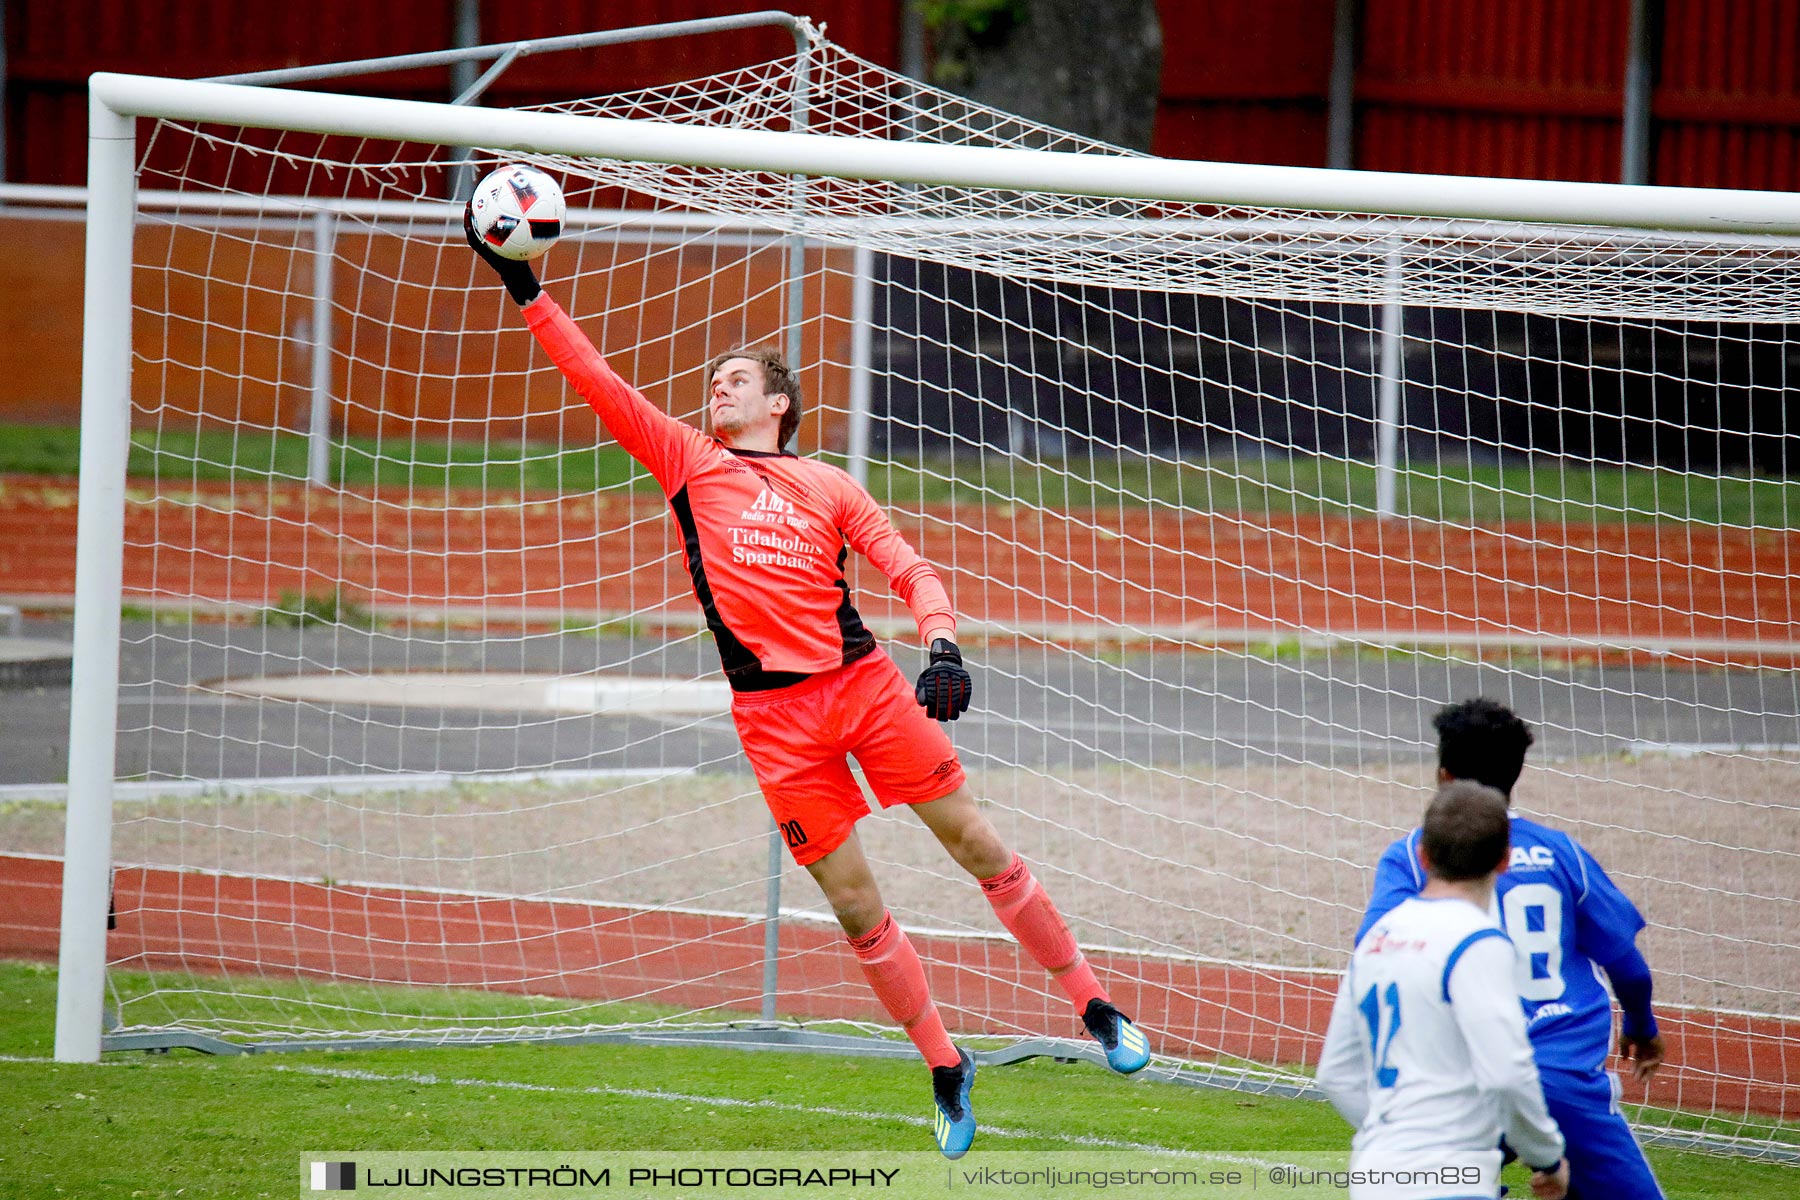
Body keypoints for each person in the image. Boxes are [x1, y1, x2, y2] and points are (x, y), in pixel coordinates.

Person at [465, 212, 1150, 1160]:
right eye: (715, 379)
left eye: (737, 378)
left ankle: (1094, 1004)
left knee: (977, 844)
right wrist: (526, 286)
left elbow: (911, 569)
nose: (717, 386)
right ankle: (945, 1067)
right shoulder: (688, 463)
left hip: (864, 686)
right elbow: (599, 382)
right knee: (856, 905)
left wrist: (942, 647)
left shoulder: (830, 485)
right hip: (773, 721)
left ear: (778, 404)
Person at [1358, 699, 1666, 1199]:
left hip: (1460, 1081)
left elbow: (1372, 954)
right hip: (1563, 1077)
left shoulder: (1414, 857)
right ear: (1516, 774)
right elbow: (1626, 966)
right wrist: (1642, 1027)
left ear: (1442, 777)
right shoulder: (1562, 852)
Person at [1319, 781, 1570, 1200]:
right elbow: (1507, 1073)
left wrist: (1394, 1139)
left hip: (1375, 1174)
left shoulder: (1377, 936)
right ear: (1505, 861)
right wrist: (1547, 1157)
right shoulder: (1478, 941)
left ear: (1423, 855)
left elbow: (1335, 1074)